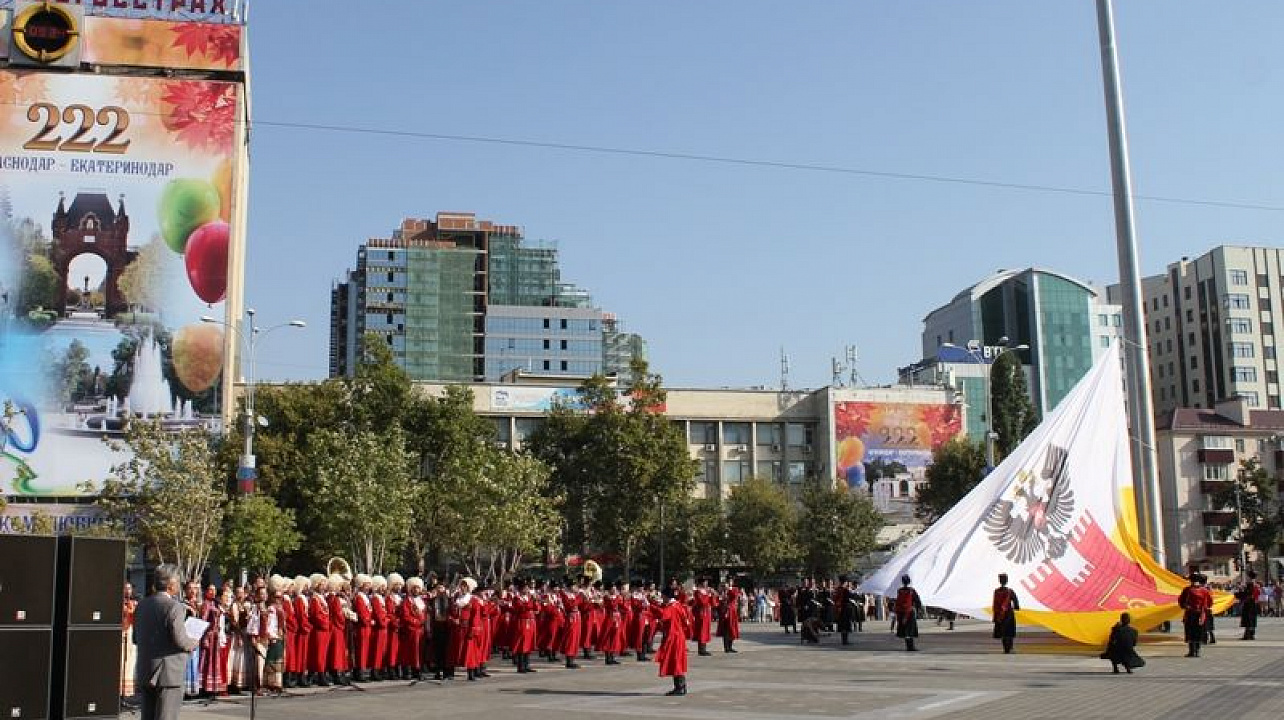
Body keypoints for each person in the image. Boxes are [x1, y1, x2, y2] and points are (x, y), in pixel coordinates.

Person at [134, 564, 200, 720]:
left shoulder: (142, 605)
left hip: (146, 667)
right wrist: (193, 642)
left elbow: (136, 638)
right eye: (178, 581)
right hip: (168, 672)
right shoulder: (174, 607)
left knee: (148, 716)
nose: (179, 584)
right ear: (171, 584)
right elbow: (181, 640)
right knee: (166, 716)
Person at [652, 587, 692, 696]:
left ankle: (680, 687)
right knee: (676, 661)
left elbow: (663, 615)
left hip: (673, 637)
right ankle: (680, 686)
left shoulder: (671, 607)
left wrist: (652, 605)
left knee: (675, 661)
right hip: (678, 635)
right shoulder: (677, 605)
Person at [1177, 572, 1213, 658]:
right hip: (1201, 614)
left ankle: (1191, 651)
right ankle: (1197, 651)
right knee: (1199, 632)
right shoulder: (1205, 591)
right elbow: (1210, 602)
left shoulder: (1187, 590)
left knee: (1190, 631)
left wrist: (1184, 606)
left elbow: (1181, 601)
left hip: (1190, 614)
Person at [992, 573, 1020, 654]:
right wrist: (1016, 607)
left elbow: (995, 603)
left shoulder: (996, 591)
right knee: (1010, 631)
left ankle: (1005, 648)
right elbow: (1015, 602)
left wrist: (996, 615)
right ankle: (1010, 647)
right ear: (1006, 581)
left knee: (1003, 631)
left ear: (999, 581)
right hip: (1008, 614)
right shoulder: (1010, 591)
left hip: (999, 614)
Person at [894, 575, 923, 652]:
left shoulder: (899, 591)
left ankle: (908, 646)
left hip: (901, 612)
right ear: (909, 581)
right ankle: (911, 646)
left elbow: (897, 601)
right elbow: (917, 601)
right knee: (910, 630)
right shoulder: (911, 591)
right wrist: (919, 609)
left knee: (904, 630)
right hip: (910, 612)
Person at [122, 582, 138, 699]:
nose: (127, 591)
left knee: (130, 660)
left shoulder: (135, 603)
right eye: (125, 589)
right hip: (121, 631)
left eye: (129, 589)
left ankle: (127, 693)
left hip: (131, 632)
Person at [716, 582, 741, 653]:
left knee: (732, 629)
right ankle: (726, 648)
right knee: (726, 630)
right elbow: (718, 601)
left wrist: (729, 589)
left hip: (732, 612)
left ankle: (730, 646)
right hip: (724, 612)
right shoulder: (722, 592)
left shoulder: (734, 589)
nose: (726, 586)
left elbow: (734, 596)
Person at [1238, 570, 1261, 640]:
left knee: (1248, 618)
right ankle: (1252, 634)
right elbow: (1257, 593)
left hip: (1249, 602)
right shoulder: (1257, 584)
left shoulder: (1250, 584)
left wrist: (1240, 592)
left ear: (1249, 576)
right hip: (1254, 602)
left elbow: (1247, 594)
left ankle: (1247, 635)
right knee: (1252, 618)